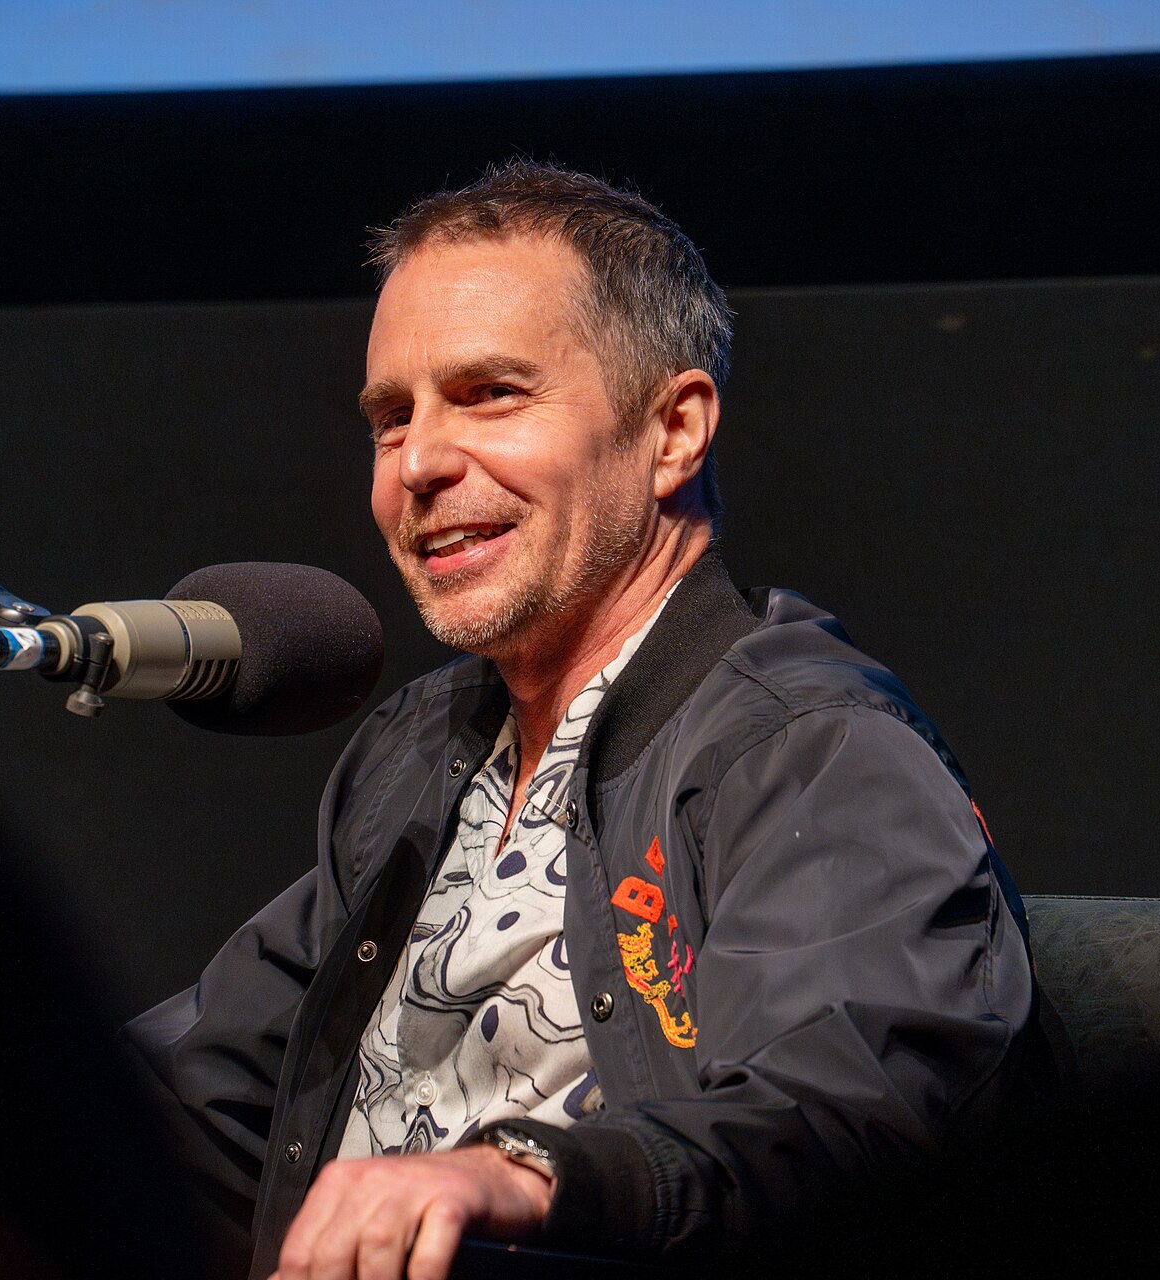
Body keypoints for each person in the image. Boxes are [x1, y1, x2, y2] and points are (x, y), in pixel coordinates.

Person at [123, 161, 1037, 1280]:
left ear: (674, 431)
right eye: (389, 417)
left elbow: (853, 1106)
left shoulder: (809, 745)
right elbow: (202, 1096)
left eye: (490, 394)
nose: (419, 462)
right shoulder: (424, 747)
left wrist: (512, 1172)